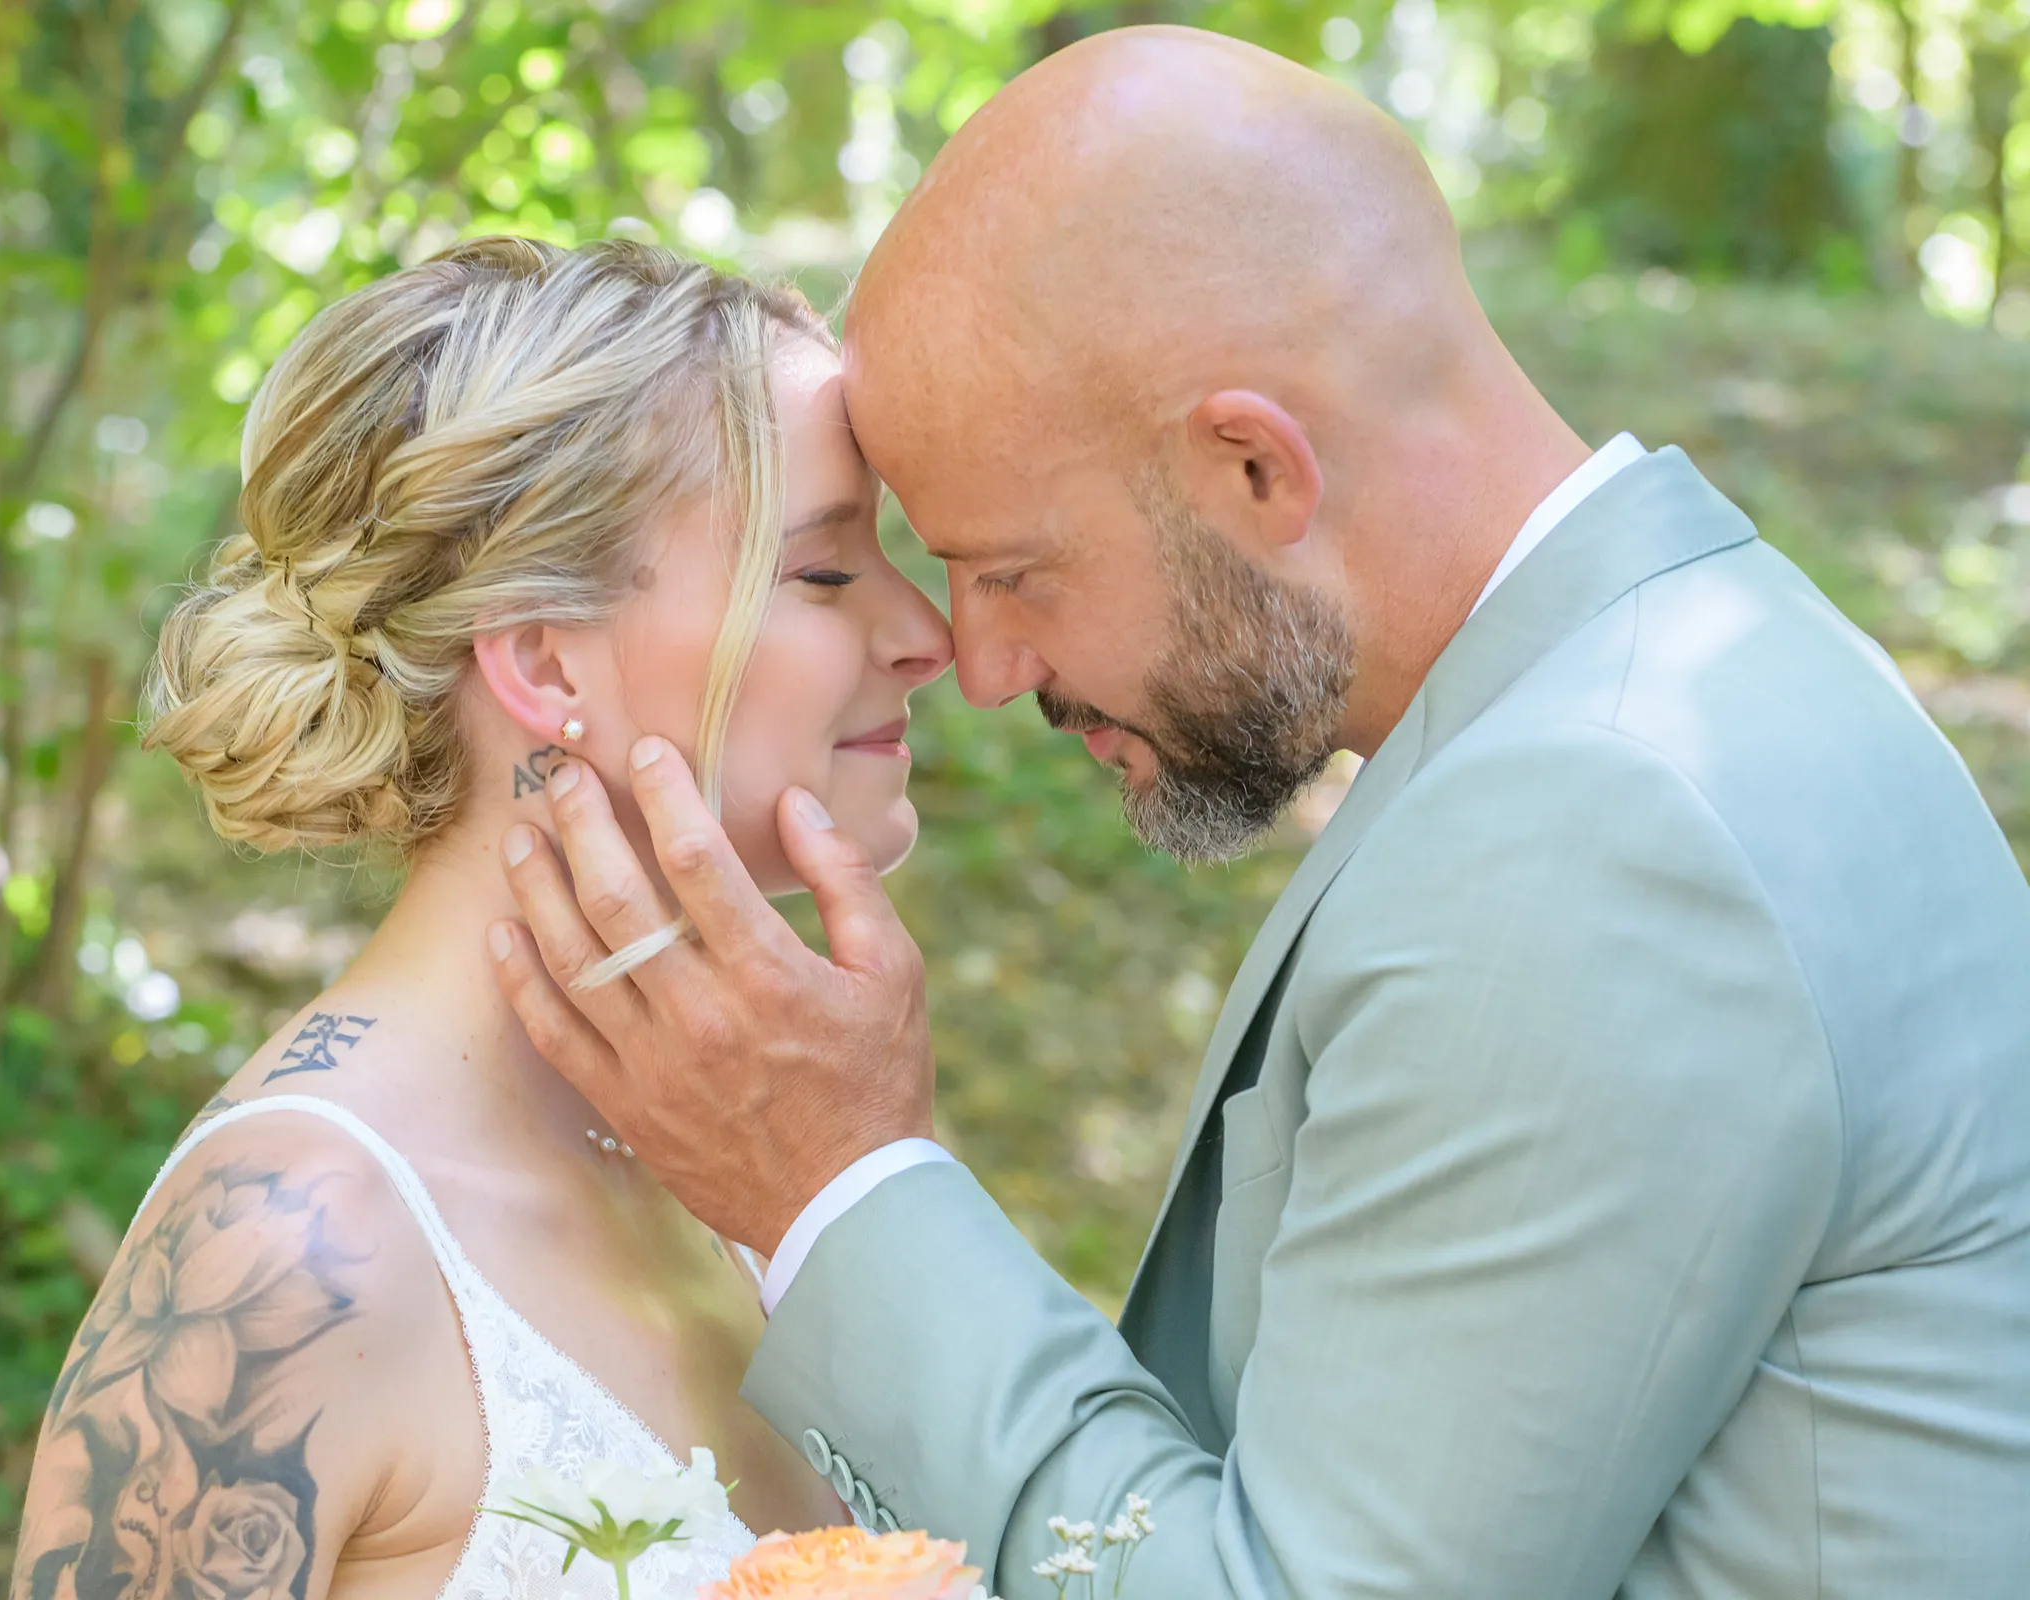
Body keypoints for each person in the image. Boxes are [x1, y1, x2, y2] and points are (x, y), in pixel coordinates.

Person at [487, 29, 2030, 1600]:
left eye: (1013, 571)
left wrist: (834, 1188)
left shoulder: (1597, 831)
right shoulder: (1699, 677)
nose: (983, 658)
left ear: (1251, 469)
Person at [7, 237, 951, 1599]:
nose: (928, 630)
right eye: (820, 572)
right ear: (541, 660)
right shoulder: (285, 1255)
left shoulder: (775, 1149)